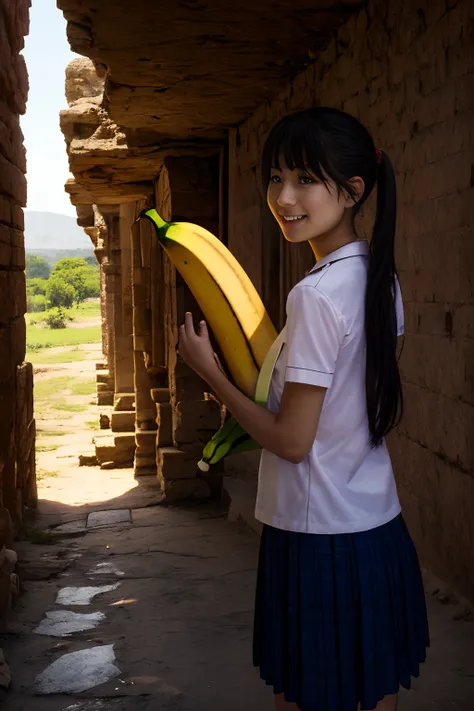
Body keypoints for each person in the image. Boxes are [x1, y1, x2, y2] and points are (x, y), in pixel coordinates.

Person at [177, 107, 429, 711]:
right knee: (373, 694)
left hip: (320, 541)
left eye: (305, 180)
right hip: (375, 526)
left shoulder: (314, 295)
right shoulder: (377, 277)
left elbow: (293, 441)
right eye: (275, 178)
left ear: (352, 191)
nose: (284, 197)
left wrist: (211, 374)